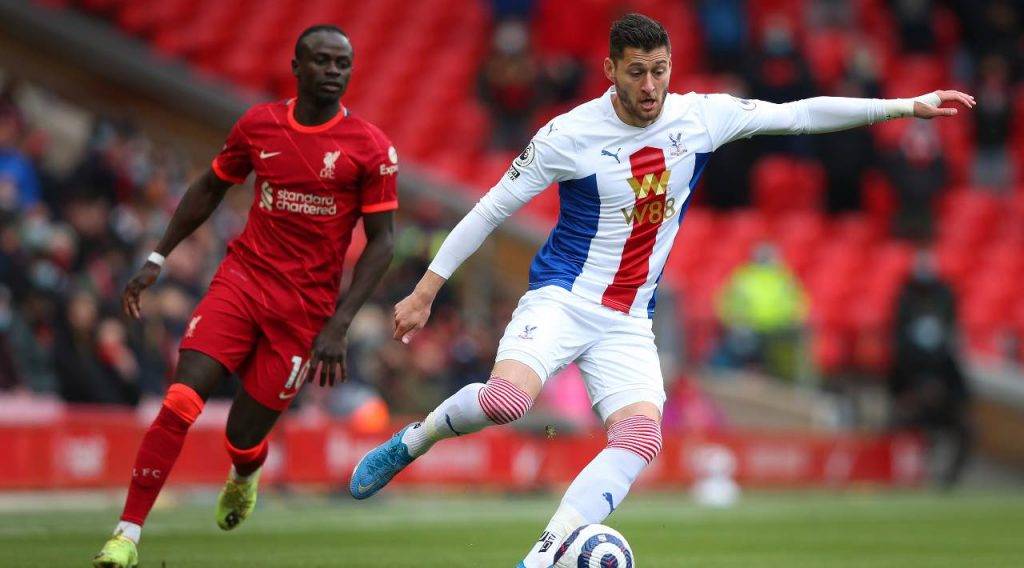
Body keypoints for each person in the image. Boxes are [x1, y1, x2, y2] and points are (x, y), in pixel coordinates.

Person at [349, 13, 972, 568]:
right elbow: (489, 210)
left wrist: (905, 105)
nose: (650, 86)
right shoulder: (568, 134)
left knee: (642, 438)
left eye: (660, 71)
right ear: (610, 69)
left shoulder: (700, 116)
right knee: (509, 401)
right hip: (562, 297)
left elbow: (802, 114)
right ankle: (417, 437)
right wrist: (429, 288)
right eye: (638, 72)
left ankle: (542, 557)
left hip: (628, 317)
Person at [93, 24, 398, 568]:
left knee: (242, 433)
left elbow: (382, 243)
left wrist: (340, 323)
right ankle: (126, 535)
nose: (333, 72)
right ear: (296, 67)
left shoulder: (370, 149)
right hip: (243, 280)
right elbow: (210, 187)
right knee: (182, 400)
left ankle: (245, 470)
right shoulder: (259, 125)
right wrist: (157, 258)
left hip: (305, 311)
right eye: (322, 61)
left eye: (342, 64)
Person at [889, 251, 971, 487]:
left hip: (941, 406)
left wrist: (948, 398)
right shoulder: (905, 353)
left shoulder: (946, 354)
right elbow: (895, 384)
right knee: (896, 424)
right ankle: (898, 476)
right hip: (915, 405)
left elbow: (959, 387)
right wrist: (911, 396)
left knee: (967, 428)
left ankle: (949, 479)